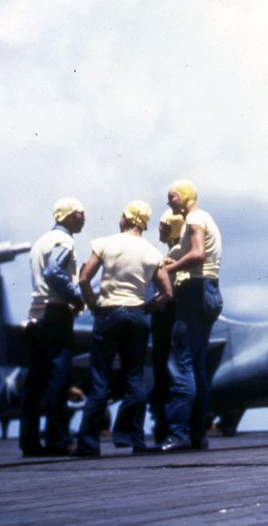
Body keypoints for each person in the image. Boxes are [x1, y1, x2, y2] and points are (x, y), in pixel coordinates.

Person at [75, 201, 173, 456]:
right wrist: (146, 309)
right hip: (137, 315)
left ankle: (88, 443)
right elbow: (167, 292)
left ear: (128, 219)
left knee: (100, 378)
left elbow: (84, 277)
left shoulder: (106, 243)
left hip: (108, 313)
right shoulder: (152, 252)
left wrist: (92, 305)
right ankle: (135, 439)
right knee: (135, 377)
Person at [160, 179, 223, 451]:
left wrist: (172, 268)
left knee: (182, 364)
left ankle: (178, 434)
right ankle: (199, 434)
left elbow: (198, 254)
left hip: (194, 291)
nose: (169, 202)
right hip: (209, 290)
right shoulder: (205, 218)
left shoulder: (195, 217)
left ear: (184, 197)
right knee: (196, 366)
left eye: (172, 197)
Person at [21, 197, 86, 457]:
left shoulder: (40, 242)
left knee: (34, 381)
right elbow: (53, 272)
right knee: (58, 379)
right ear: (69, 217)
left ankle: (29, 441)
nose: (84, 218)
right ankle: (57, 440)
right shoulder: (64, 241)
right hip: (56, 313)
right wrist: (76, 297)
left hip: (35, 315)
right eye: (81, 214)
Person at [147, 209, 185, 445]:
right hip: (174, 325)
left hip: (166, 328)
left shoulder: (171, 258)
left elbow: (166, 295)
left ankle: (166, 429)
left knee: (168, 375)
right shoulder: (180, 255)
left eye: (162, 225)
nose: (159, 229)